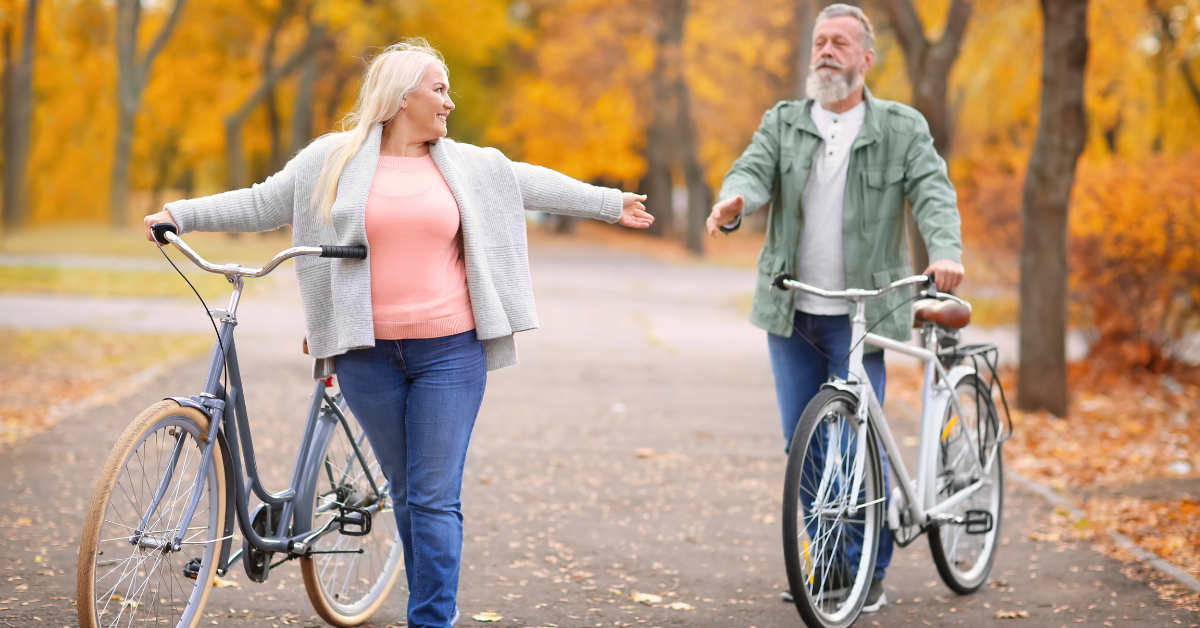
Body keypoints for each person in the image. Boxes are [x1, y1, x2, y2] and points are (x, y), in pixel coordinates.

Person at [143, 39, 653, 628]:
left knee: (433, 496)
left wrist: (610, 202)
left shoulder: (466, 165)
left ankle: (432, 620)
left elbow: (529, 183)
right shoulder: (332, 159)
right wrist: (182, 214)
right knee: (408, 491)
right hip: (367, 354)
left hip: (449, 352)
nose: (449, 103)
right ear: (401, 95)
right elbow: (262, 202)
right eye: (439, 89)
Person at [706, 4, 964, 614]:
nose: (826, 50)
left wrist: (946, 252)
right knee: (806, 447)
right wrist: (734, 200)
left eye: (840, 42)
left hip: (863, 314)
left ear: (866, 59)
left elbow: (933, 192)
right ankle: (826, 567)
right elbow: (754, 170)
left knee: (851, 448)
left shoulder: (901, 127)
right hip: (792, 310)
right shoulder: (785, 121)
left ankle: (866, 571)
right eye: (820, 40)